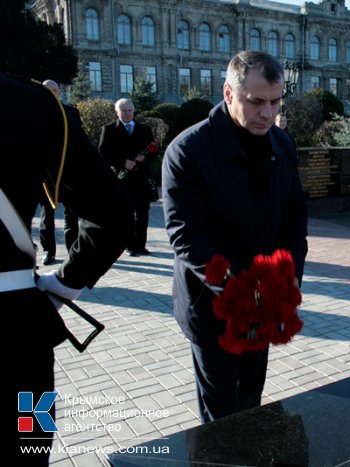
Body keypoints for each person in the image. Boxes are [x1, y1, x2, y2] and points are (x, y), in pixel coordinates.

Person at [162, 50, 308, 423]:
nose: (268, 113)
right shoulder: (187, 151)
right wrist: (245, 292)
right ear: (228, 94)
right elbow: (187, 238)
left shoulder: (282, 144)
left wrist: (289, 279)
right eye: (256, 102)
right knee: (221, 416)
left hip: (263, 305)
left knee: (251, 401)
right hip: (213, 307)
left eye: (276, 102)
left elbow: (294, 217)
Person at [3, 74, 133, 465]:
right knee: (28, 448)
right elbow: (113, 216)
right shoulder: (34, 104)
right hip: (15, 335)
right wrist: (61, 286)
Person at [98, 98, 156, 256]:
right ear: (117, 113)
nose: (127, 113)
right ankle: (130, 245)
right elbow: (103, 153)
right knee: (127, 214)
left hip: (142, 179)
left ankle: (140, 245)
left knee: (143, 214)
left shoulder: (144, 129)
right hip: (123, 180)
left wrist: (145, 158)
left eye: (130, 110)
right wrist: (122, 162)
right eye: (124, 111)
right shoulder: (109, 130)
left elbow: (153, 151)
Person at [38, 80, 81, 265]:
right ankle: (49, 251)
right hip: (46, 173)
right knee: (46, 216)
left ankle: (73, 250)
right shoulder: (35, 114)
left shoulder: (71, 112)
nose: (53, 94)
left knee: (71, 215)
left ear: (60, 92)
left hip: (68, 170)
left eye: (55, 90)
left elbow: (79, 141)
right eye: (48, 91)